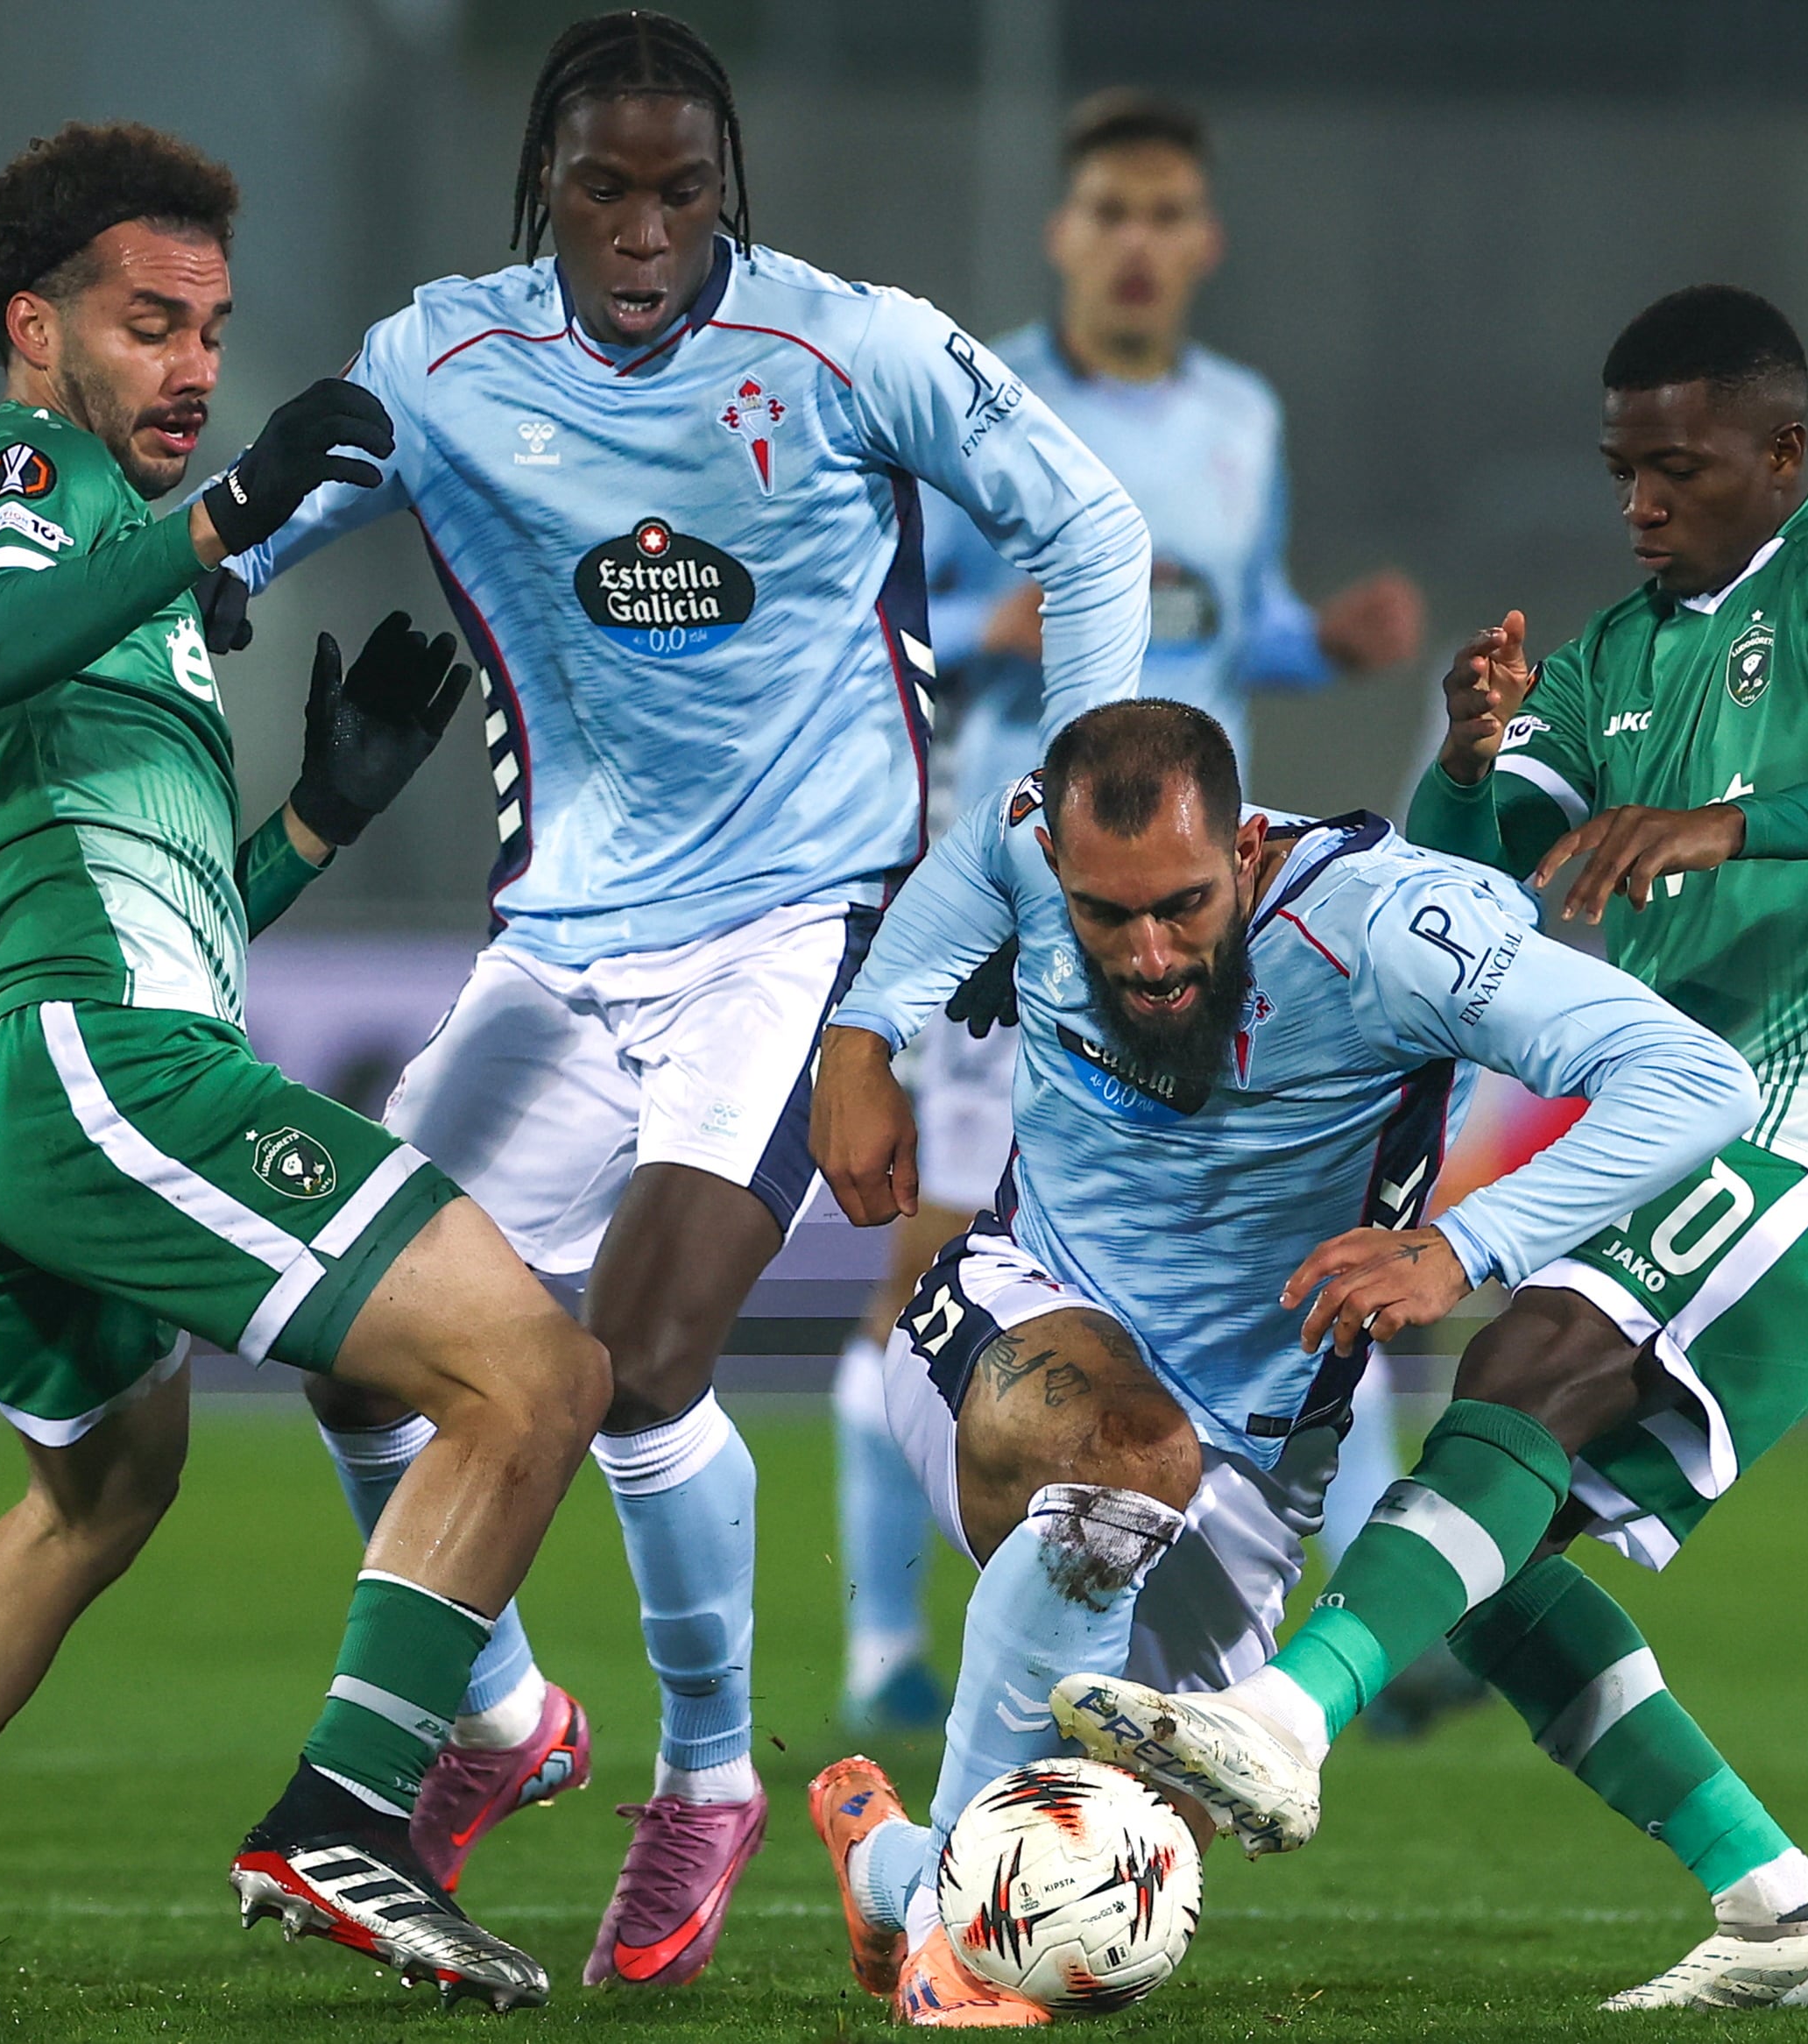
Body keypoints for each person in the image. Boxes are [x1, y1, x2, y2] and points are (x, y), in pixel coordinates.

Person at [220, 11, 1149, 1986]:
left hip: (786, 930)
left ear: (729, 194)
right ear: (539, 193)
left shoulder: (843, 345)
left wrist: (1077, 808)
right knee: (347, 1348)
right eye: (603, 190)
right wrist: (188, 559)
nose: (645, 232)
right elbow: (232, 558)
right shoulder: (438, 365)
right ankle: (500, 1720)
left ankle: (711, 1776)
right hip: (558, 940)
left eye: (683, 192)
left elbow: (1089, 523)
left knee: (637, 1362)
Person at [0, 123, 608, 2011]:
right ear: (35, 330)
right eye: (150, 322)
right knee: (535, 1371)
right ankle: (350, 1815)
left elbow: (164, 923)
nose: (197, 366)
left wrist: (314, 826)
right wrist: (209, 532)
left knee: (103, 1495)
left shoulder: (130, 594)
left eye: (213, 326)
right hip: (68, 1066)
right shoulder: (17, 473)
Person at [1054, 285, 1808, 2012]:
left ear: (1781, 454)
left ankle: (1280, 1721)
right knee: (1474, 1557)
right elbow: (1459, 883)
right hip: (1700, 1120)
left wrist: (1717, 823)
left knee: (1529, 1372)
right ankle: (1782, 1913)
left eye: (1678, 470)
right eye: (1622, 470)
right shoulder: (1615, 658)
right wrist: (1476, 763)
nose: (1639, 505)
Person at [802, 700, 1758, 2023]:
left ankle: (903, 1873)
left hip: (1254, 1456)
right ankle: (952, 1955)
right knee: (1128, 1456)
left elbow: (1693, 1078)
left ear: (1247, 849)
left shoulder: (1388, 934)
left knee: (1117, 1882)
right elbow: (976, 852)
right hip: (1017, 1313)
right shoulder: (1033, 841)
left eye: (1184, 906)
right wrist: (863, 1032)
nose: (1145, 953)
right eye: (1105, 914)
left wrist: (1462, 1243)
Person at [830, 89, 1429, 1737]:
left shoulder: (1244, 415)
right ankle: (889, 1646)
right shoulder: (982, 405)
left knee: (1273, 1253)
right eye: (1112, 213)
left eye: (1168, 215)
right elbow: (879, 626)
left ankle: (1284, 1637)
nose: (1140, 244)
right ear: (1064, 234)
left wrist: (1331, 646)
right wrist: (987, 615)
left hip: (1196, 928)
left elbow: (1225, 630)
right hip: (1022, 913)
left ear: (1204, 242)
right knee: (942, 1268)